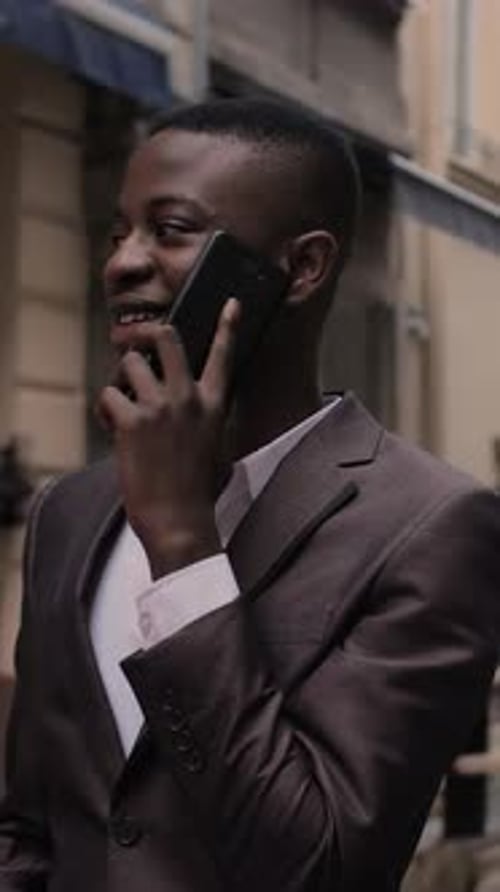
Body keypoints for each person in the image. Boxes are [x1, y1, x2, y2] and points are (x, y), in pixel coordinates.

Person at [0, 97, 499, 892]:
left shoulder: (432, 527)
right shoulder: (72, 511)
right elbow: (29, 820)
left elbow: (320, 866)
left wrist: (182, 545)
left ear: (301, 268)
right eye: (120, 231)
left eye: (170, 231)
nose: (123, 261)